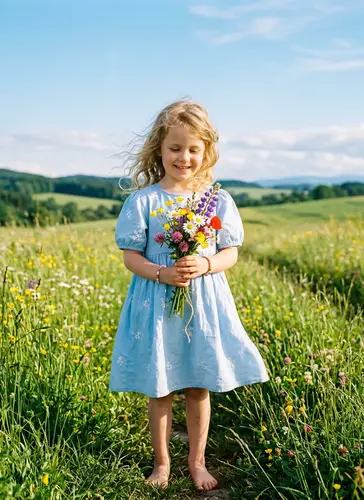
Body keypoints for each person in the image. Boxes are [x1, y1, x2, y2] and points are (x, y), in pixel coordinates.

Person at [109, 99, 270, 491]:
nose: (184, 157)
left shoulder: (218, 200)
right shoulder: (144, 200)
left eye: (193, 149)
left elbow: (229, 251)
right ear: (159, 150)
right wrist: (162, 272)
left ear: (207, 152)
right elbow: (131, 256)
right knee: (160, 384)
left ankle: (197, 462)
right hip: (156, 299)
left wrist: (206, 264)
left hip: (203, 301)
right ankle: (162, 464)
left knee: (198, 384)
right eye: (175, 148)